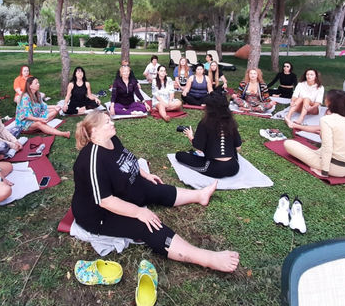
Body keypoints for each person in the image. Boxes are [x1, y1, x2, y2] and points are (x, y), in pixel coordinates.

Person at [72, 112, 240, 272]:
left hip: (121, 190)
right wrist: (139, 212)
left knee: (152, 187)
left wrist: (145, 175)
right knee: (146, 224)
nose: (112, 123)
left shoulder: (111, 139)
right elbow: (105, 201)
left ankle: (200, 195)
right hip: (99, 215)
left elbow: (127, 160)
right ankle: (208, 258)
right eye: (107, 122)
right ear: (94, 131)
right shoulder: (91, 160)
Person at [283, 90, 345, 177]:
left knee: (288, 143)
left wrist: (324, 172)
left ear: (328, 102)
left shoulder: (326, 120)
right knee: (322, 150)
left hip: (334, 168)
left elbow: (328, 147)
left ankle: (325, 167)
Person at [176, 92, 241, 178]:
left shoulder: (205, 123)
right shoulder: (231, 122)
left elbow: (198, 148)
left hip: (215, 168)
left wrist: (190, 135)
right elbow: (238, 147)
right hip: (234, 167)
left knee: (179, 155)